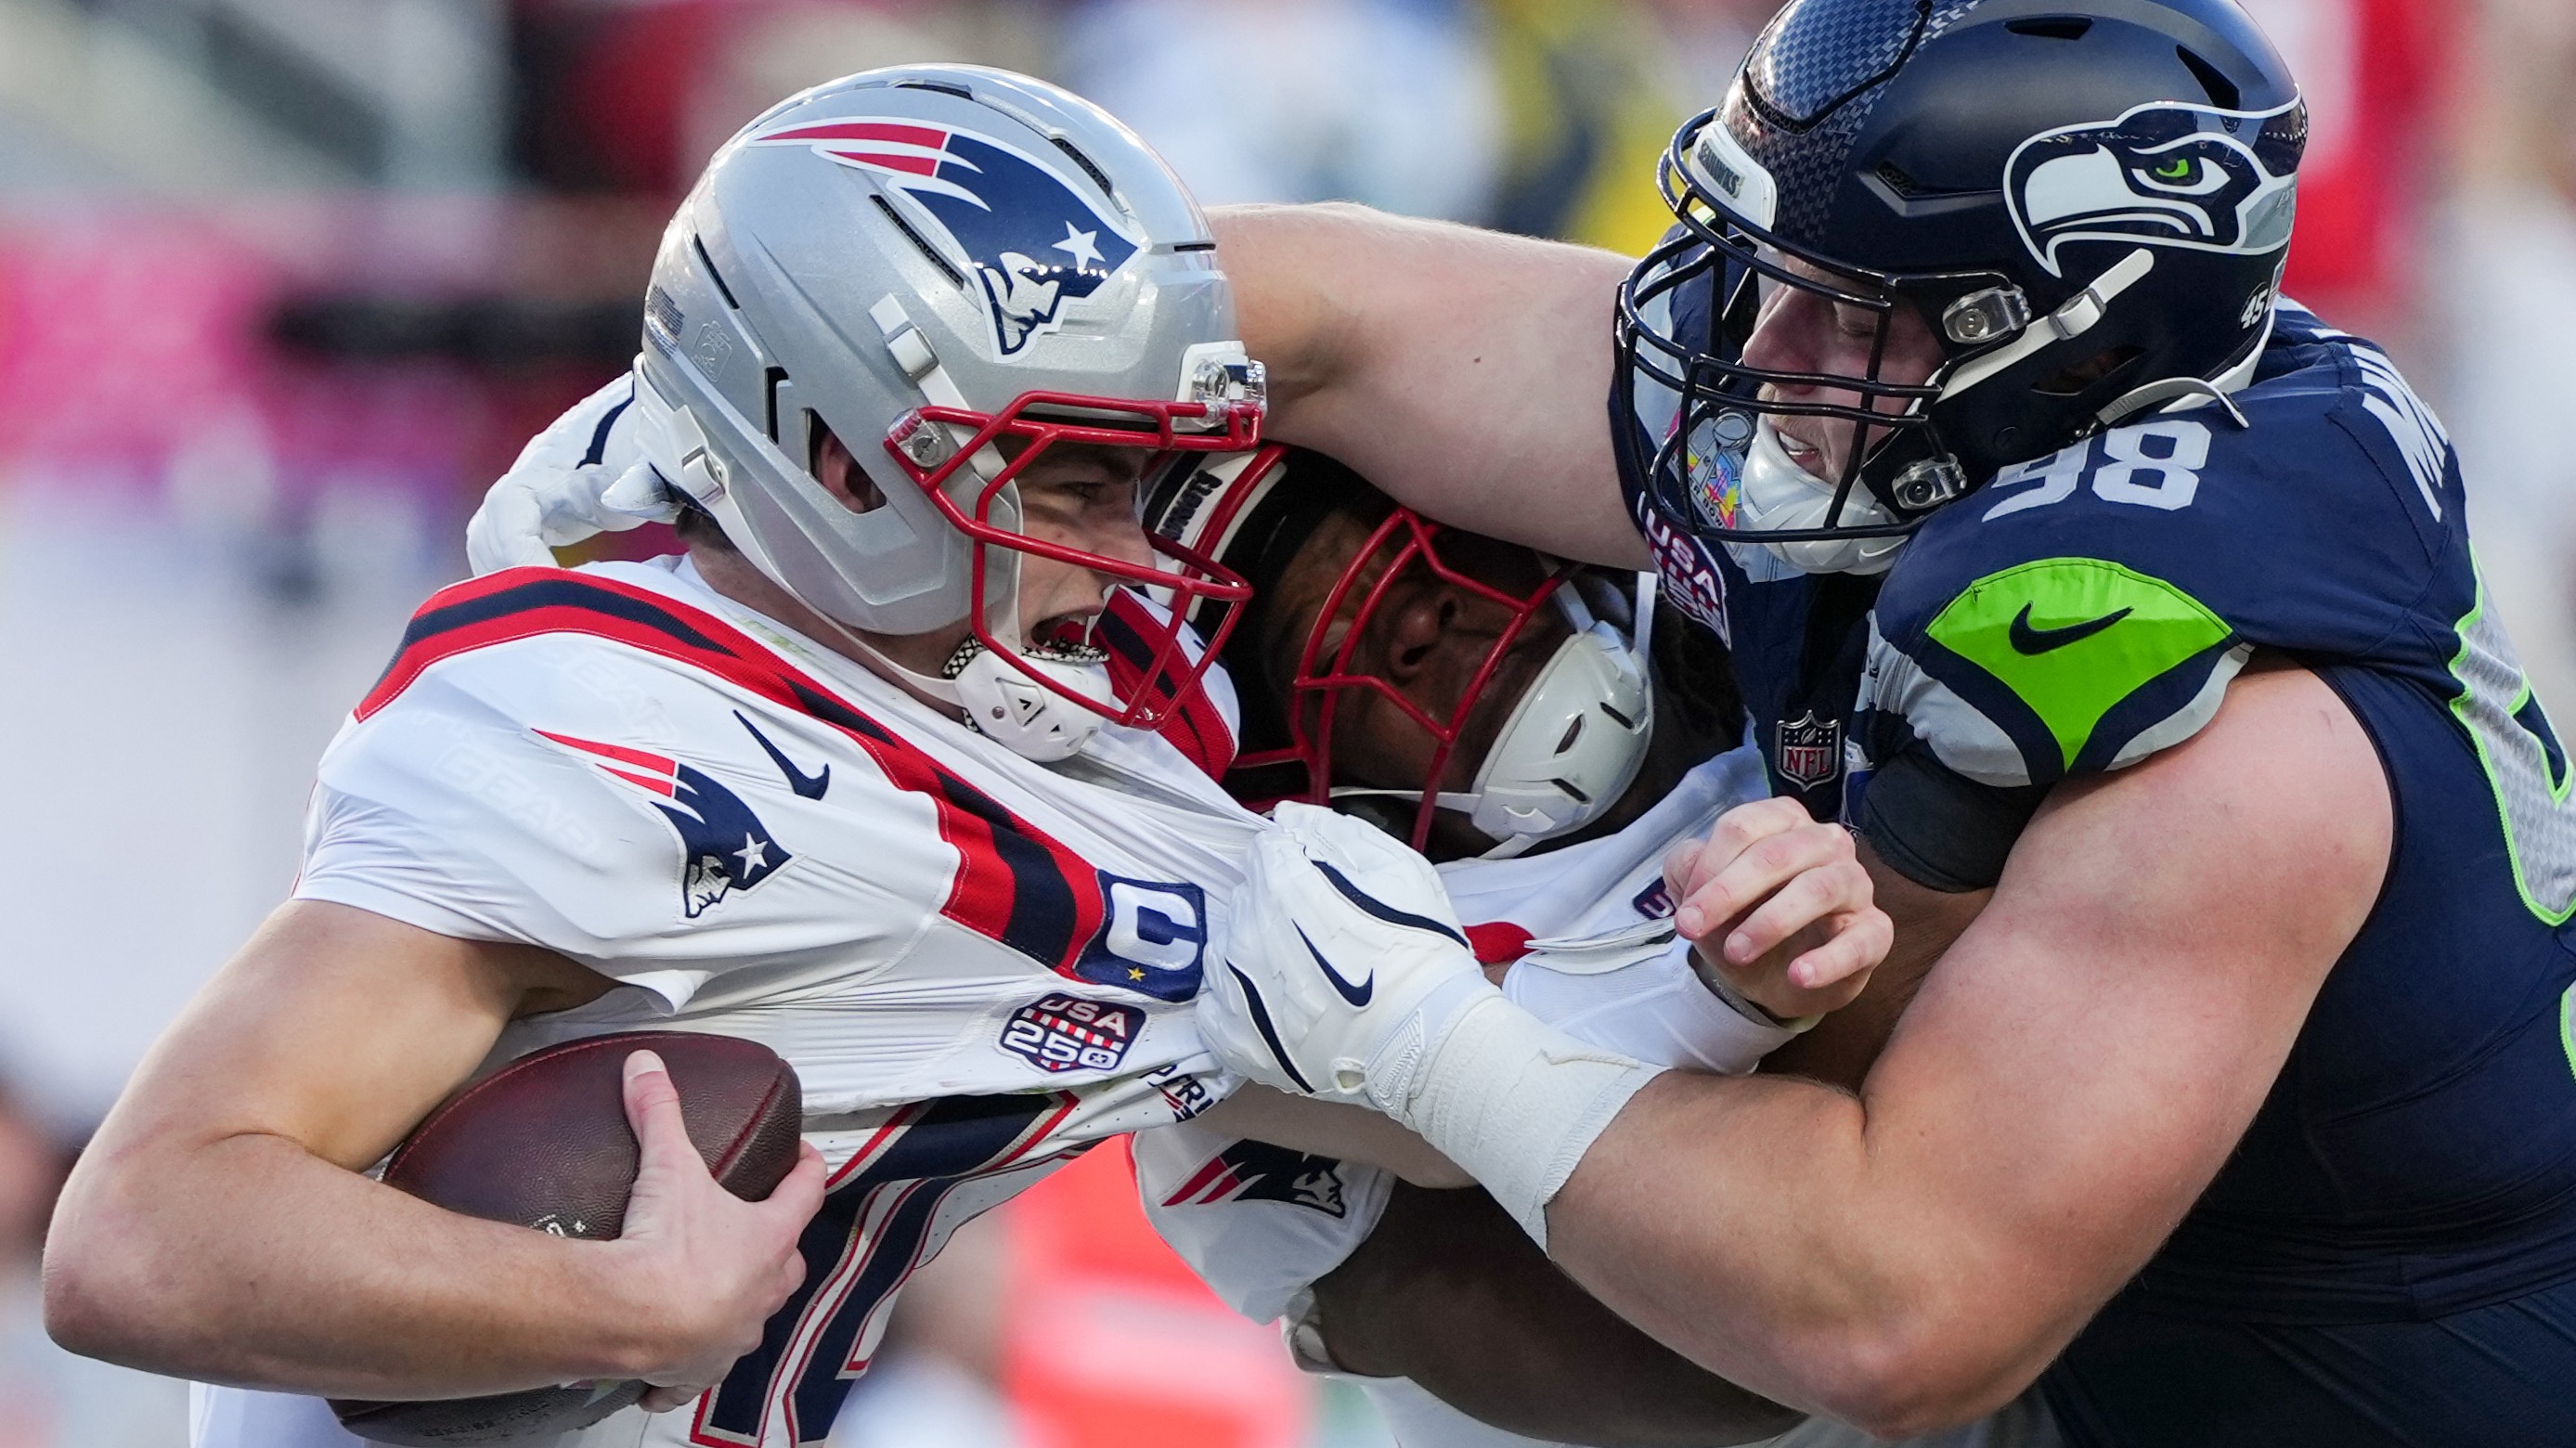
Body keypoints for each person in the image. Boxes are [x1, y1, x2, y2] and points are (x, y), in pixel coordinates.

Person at [50, 65, 1878, 1448]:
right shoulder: (605, 716)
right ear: (832, 463)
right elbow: (138, 1231)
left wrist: (1714, 970)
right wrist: (590, 1296)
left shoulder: (1065, 733)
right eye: (1076, 472)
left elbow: (1413, 1096)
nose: (1149, 544)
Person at [1181, 2, 2576, 1445]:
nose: (1763, 344)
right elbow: (1333, 320)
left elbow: (1883, 1319)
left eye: (1848, 307)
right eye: (1772, 268)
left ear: (2074, 351)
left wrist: (1408, 1047)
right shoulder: (1941, 437)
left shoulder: (2243, 756)